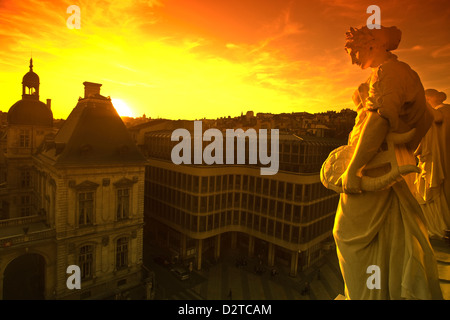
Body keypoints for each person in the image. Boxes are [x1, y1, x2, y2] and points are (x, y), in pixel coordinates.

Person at [328, 25, 443, 299]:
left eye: (353, 50)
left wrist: (354, 168)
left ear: (372, 44)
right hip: (386, 163)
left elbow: (380, 119)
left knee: (347, 234)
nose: (352, 58)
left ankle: (365, 294)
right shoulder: (399, 73)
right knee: (386, 239)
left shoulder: (390, 72)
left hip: (374, 167)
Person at [414, 89, 450, 237]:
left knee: (434, 192)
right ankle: (440, 225)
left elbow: (437, 119)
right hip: (437, 157)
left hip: (437, 158)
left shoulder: (442, 111)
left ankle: (440, 226)